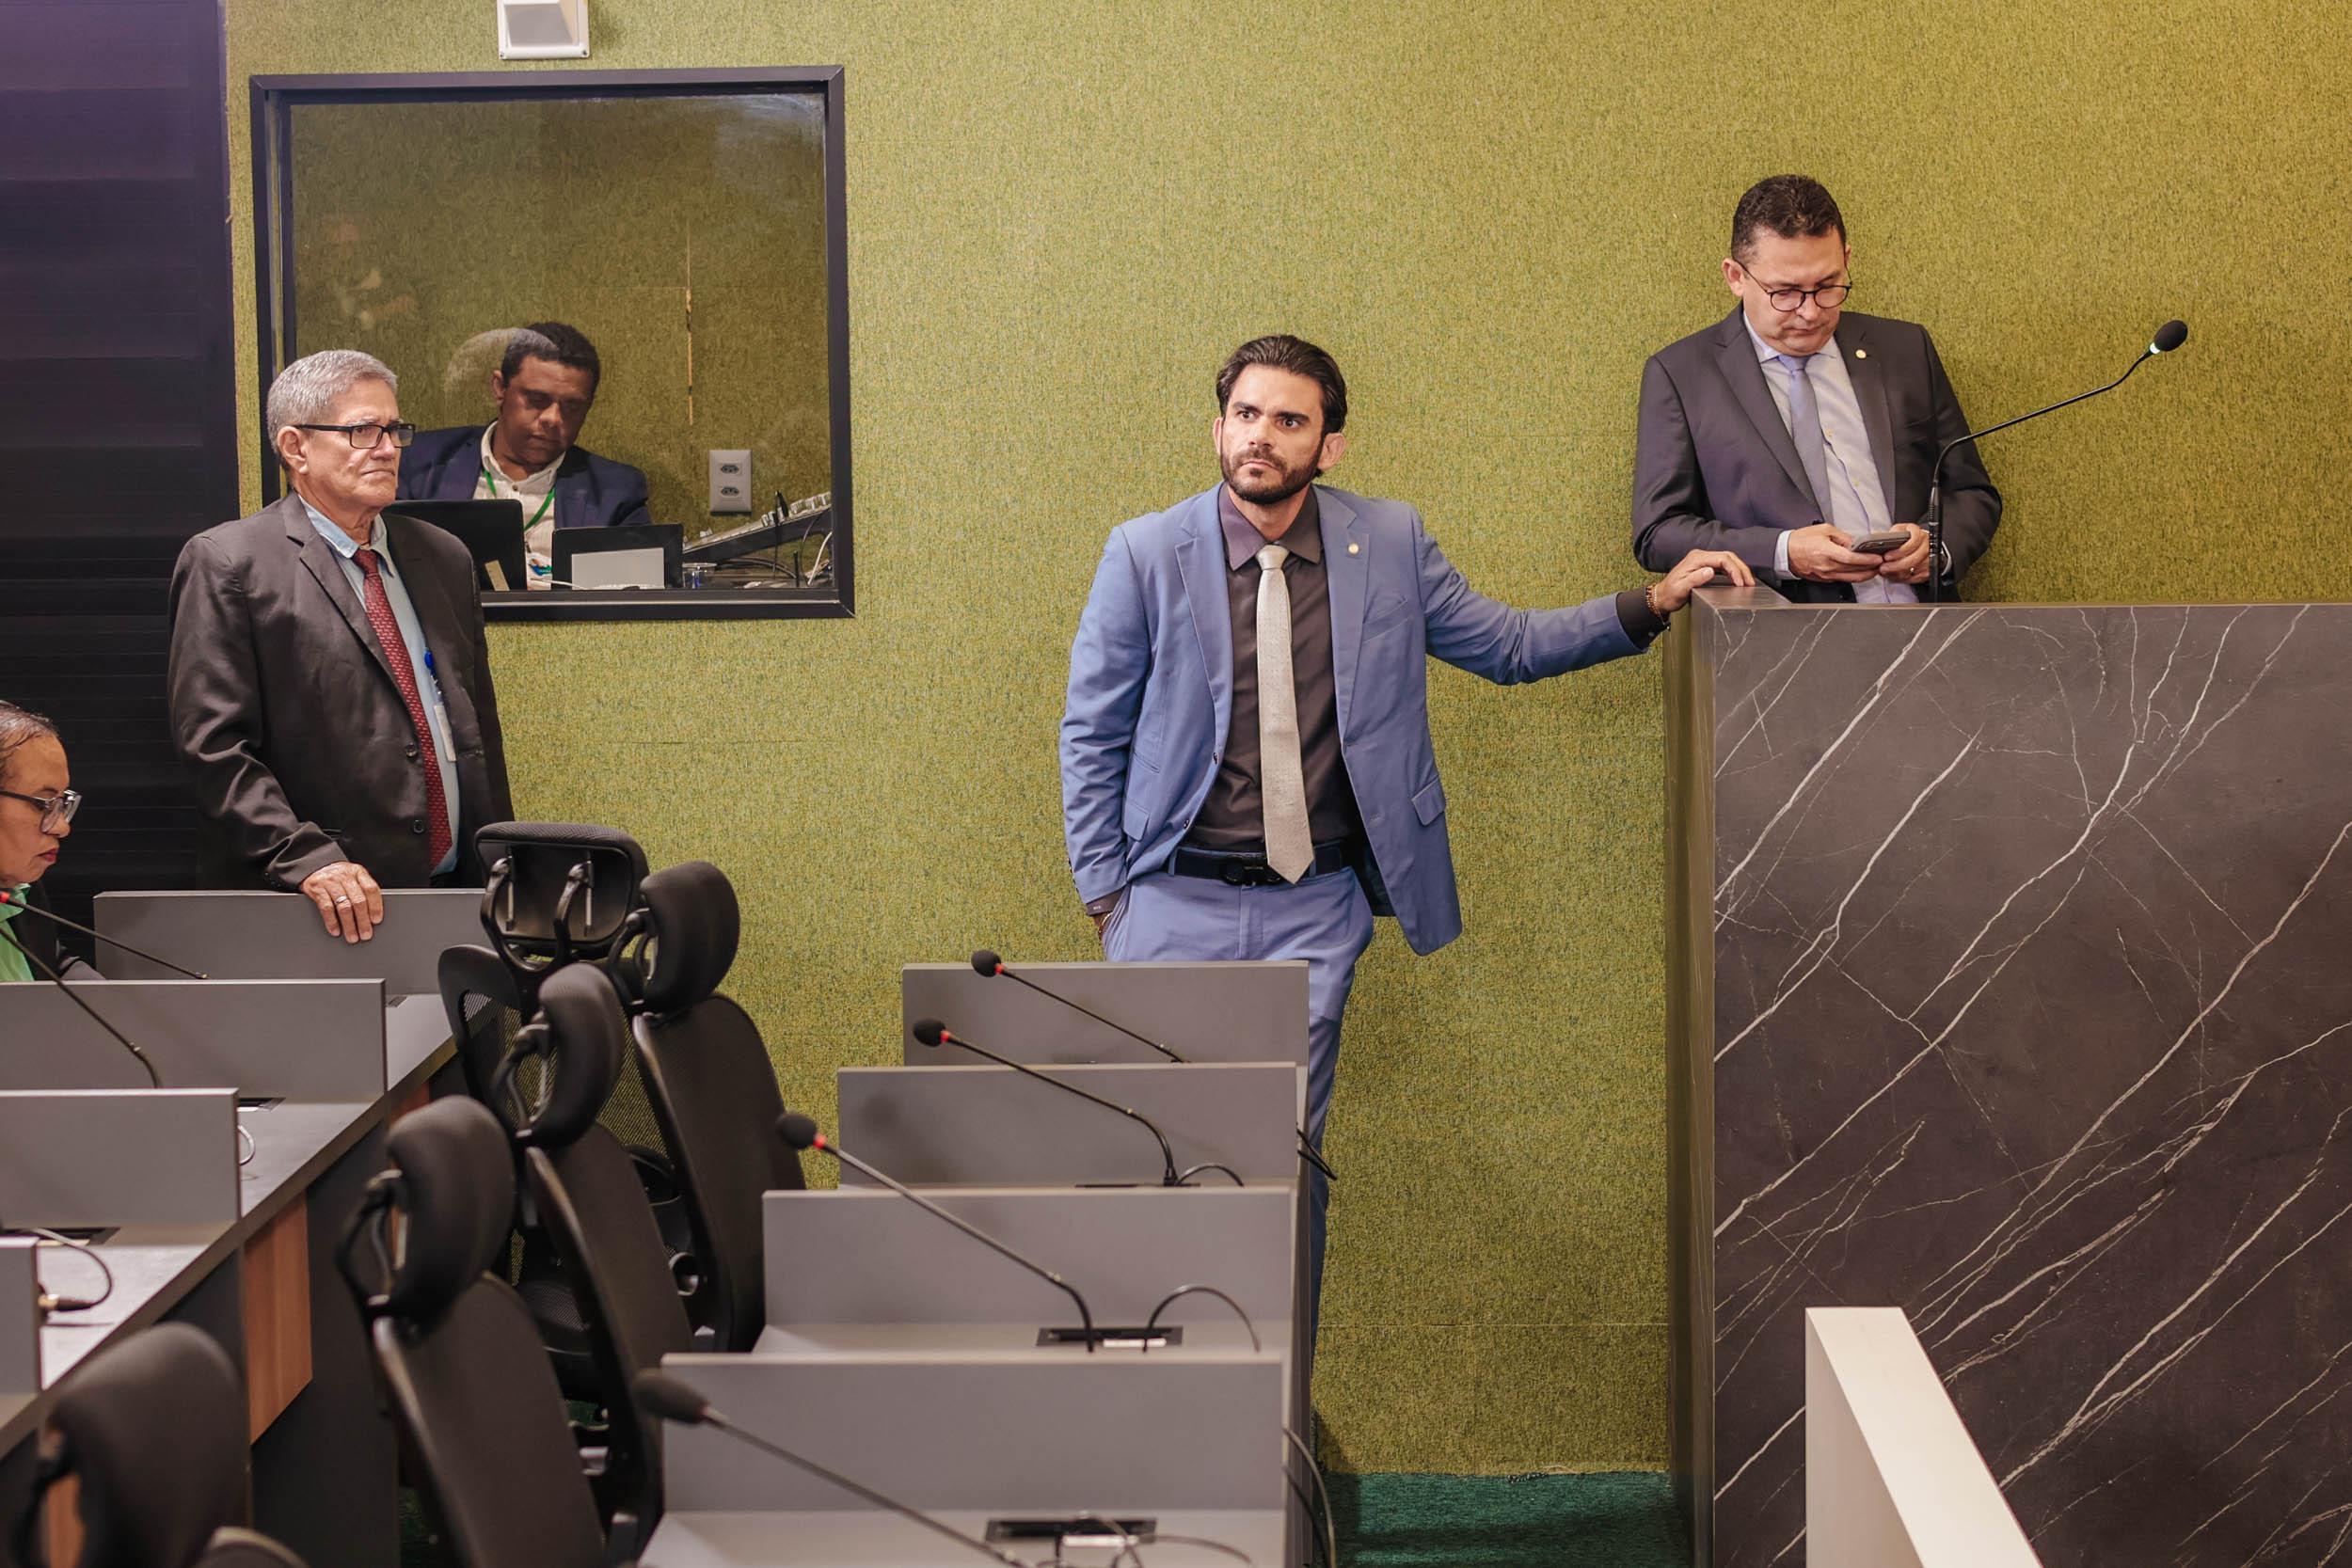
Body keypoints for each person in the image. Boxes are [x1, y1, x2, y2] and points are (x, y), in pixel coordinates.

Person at [1060, 334, 1749, 1327]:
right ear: (1217, 428)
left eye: (1288, 420)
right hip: (1170, 903)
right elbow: (1092, 730)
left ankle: (1274, 1400)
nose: (1260, 437)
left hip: (1311, 911)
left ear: (1329, 445)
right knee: (1160, 1166)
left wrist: (1650, 601)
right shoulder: (1144, 551)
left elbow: (1508, 644)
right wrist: (1108, 898)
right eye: (1246, 415)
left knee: (1282, 1171)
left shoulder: (1385, 540)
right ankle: (1165, 1400)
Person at [167, 349, 512, 942]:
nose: (388, 448)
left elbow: (477, 727)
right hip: (317, 902)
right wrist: (307, 860)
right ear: (296, 447)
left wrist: (501, 861)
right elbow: (215, 749)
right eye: (362, 431)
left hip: (458, 891)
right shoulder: (230, 564)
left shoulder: (443, 557)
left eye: (395, 430)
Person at [1631, 175, 2001, 603]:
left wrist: (1936, 546)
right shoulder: (1683, 375)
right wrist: (1783, 552)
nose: (1810, 312)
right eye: (1785, 293)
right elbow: (1658, 532)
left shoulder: (1905, 349)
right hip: (1785, 634)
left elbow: (1972, 492)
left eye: (1827, 286)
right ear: (1735, 277)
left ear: (1846, 259)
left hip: (1925, 625)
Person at [397, 323, 651, 589]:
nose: (553, 418)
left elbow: (638, 592)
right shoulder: (419, 465)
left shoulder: (616, 492)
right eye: (537, 400)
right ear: (500, 388)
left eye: (572, 406)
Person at [0, 702, 92, 981]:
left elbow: (52, 964)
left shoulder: (20, 889)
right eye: (43, 804)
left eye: (62, 803)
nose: (62, 827)